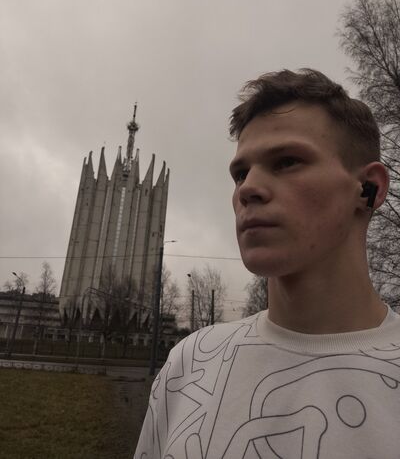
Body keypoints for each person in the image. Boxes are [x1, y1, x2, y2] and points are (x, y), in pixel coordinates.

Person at [134, 69, 400, 459]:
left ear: (369, 189)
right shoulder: (189, 364)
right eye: (240, 173)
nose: (248, 189)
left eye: (287, 161)